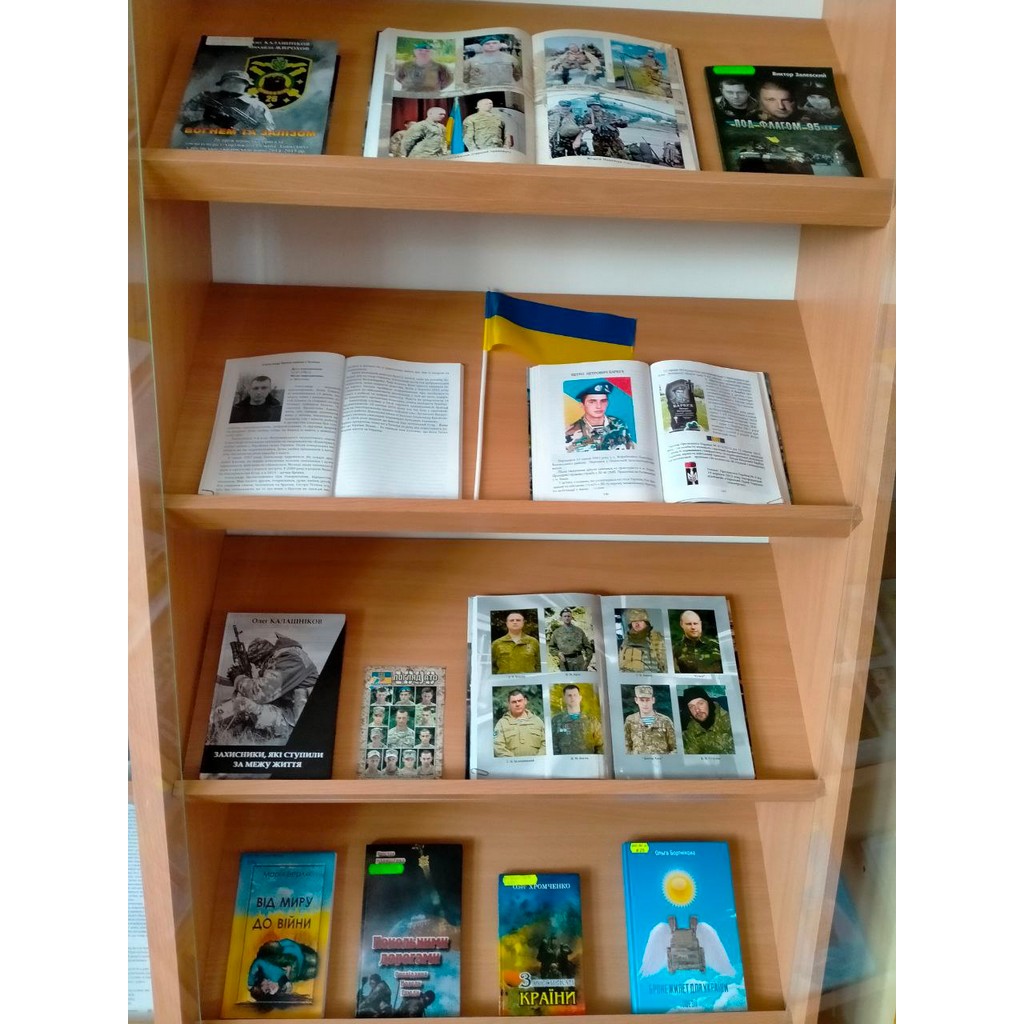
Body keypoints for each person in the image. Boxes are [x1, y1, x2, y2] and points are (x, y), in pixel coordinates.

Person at [208, 632, 318, 744]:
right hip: (290, 716)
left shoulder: (290, 659)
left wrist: (238, 677)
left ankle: (205, 729)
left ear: (265, 657)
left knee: (241, 704)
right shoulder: (289, 658)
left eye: (258, 663)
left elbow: (259, 694)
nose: (258, 667)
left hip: (295, 723)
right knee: (242, 722)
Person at [179, 69, 275, 133]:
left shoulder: (256, 105)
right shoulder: (205, 97)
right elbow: (180, 117)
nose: (232, 84)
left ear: (246, 84)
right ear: (221, 84)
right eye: (228, 81)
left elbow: (267, 130)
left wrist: (237, 130)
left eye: (237, 81)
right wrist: (206, 116)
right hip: (202, 140)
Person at [565, 381, 636, 452]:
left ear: (607, 403)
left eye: (603, 401)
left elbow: (630, 451)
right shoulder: (569, 433)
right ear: (582, 405)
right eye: (592, 402)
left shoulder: (619, 424)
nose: (599, 406)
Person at [247, 937, 318, 1002]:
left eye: (266, 987)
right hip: (301, 972)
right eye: (268, 990)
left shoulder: (268, 968)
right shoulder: (279, 986)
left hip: (301, 956)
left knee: (317, 961)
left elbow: (292, 960)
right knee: (318, 972)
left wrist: (250, 983)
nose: (270, 988)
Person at [680, 686, 735, 754]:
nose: (697, 710)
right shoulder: (691, 730)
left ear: (708, 702)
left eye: (700, 703)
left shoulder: (731, 721)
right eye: (691, 706)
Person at [551, 683, 603, 754]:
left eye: (575, 695)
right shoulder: (556, 721)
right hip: (564, 760)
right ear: (564, 699)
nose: (572, 698)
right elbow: (553, 746)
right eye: (569, 695)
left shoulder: (592, 720)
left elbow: (601, 745)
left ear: (580, 698)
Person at [623, 683, 676, 754]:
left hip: (661, 760)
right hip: (638, 760)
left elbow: (675, 748)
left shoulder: (665, 721)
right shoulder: (630, 720)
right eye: (642, 700)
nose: (645, 704)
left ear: (653, 700)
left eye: (647, 700)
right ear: (636, 700)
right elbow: (626, 746)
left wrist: (666, 760)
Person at [493, 688, 546, 756]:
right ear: (509, 704)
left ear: (525, 701)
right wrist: (514, 761)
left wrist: (538, 759)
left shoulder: (537, 721)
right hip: (511, 762)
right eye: (514, 702)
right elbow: (498, 746)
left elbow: (546, 743)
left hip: (537, 762)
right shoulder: (502, 723)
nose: (517, 704)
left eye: (520, 701)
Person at [618, 609, 667, 673]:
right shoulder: (626, 641)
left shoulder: (657, 639)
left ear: (646, 622)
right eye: (634, 621)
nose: (637, 624)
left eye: (640, 621)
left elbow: (665, 665)